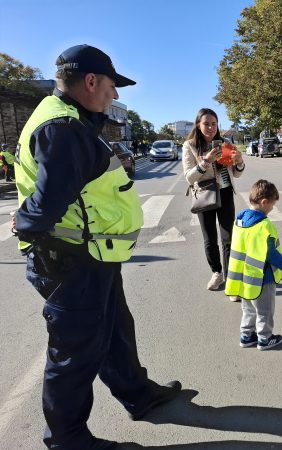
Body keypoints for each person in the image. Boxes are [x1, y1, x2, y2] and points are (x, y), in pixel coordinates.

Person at [13, 44, 181, 450]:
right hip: (72, 261)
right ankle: (68, 440)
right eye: (111, 85)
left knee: (115, 330)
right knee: (74, 351)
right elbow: (47, 203)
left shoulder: (68, 120)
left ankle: (137, 393)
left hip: (93, 255)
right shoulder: (63, 127)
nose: (115, 95)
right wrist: (28, 229)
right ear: (90, 81)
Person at [182, 108, 245, 293]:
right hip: (204, 194)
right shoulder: (190, 146)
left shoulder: (225, 143)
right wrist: (206, 161)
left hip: (225, 192)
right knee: (210, 239)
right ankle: (217, 273)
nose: (210, 127)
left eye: (213, 124)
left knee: (228, 239)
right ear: (198, 125)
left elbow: (237, 173)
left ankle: (232, 280)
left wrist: (239, 161)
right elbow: (189, 178)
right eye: (206, 123)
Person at [225, 179, 282, 350]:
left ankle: (246, 336)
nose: (272, 208)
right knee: (265, 310)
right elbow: (271, 254)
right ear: (264, 202)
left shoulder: (240, 221)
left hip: (245, 276)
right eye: (272, 205)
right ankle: (265, 338)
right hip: (264, 277)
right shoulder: (264, 225)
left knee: (248, 309)